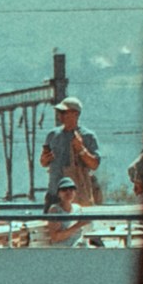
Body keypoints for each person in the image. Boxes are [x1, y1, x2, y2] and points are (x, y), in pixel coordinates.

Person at [40, 99, 101, 234]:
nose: (60, 115)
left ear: (76, 114)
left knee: (79, 232)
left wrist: (81, 149)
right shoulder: (52, 135)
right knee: (49, 233)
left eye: (64, 112)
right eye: (59, 112)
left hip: (75, 196)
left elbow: (94, 164)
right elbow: (44, 163)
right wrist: (44, 160)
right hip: (54, 193)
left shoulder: (87, 136)